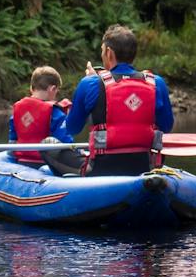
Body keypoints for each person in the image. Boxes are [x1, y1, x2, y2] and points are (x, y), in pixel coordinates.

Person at [61, 25, 175, 176]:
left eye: (102, 50)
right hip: (144, 167)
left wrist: (90, 80)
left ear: (109, 53)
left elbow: (72, 128)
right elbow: (166, 127)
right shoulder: (156, 83)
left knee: (50, 146)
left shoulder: (89, 84)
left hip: (100, 170)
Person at [8, 66, 72, 165]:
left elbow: (12, 139)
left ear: (31, 88)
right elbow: (66, 143)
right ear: (52, 89)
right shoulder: (56, 113)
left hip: (22, 160)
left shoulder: (17, 109)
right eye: (56, 90)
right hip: (45, 163)